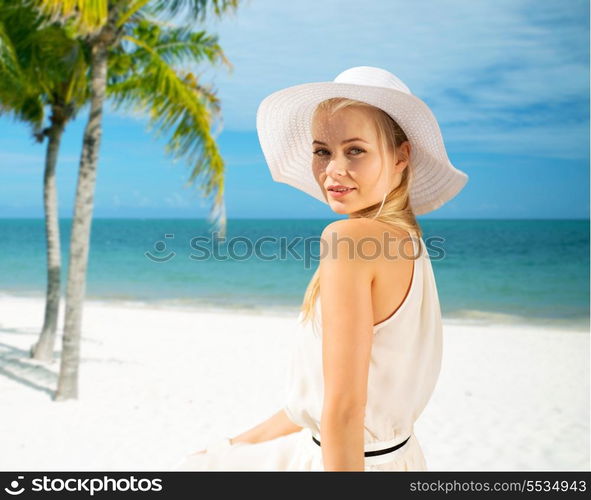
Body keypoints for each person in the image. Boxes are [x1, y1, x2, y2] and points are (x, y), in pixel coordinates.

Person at [172, 66, 469, 471]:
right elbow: (315, 405)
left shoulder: (349, 241)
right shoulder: (410, 244)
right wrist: (230, 446)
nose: (333, 170)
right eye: (322, 151)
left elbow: (345, 411)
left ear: (401, 156)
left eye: (355, 150)